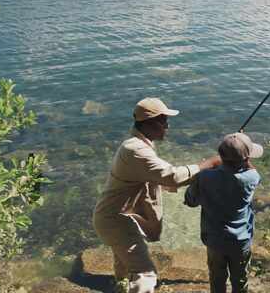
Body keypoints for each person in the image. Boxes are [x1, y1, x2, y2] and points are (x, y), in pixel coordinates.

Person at [93, 97, 221, 293]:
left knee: (124, 264)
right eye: (163, 121)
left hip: (117, 217)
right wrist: (211, 163)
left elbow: (157, 179)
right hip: (115, 220)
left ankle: (121, 287)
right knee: (145, 273)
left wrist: (192, 173)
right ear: (149, 123)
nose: (167, 126)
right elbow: (171, 177)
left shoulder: (138, 145)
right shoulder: (135, 150)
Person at [184, 132, 263, 293]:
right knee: (240, 280)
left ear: (221, 156)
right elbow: (251, 170)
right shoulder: (252, 177)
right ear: (247, 159)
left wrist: (210, 165)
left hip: (214, 240)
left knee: (216, 279)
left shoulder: (204, 177)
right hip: (241, 241)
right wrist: (237, 154)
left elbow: (190, 201)